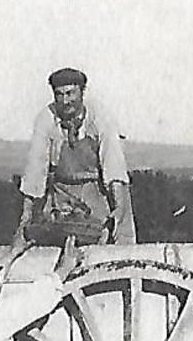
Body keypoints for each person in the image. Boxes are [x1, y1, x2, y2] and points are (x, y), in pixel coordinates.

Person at [15, 68, 136, 246]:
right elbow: (35, 170)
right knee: (51, 242)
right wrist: (26, 216)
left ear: (82, 92)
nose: (65, 101)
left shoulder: (101, 117)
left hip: (99, 191)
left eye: (70, 93)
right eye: (59, 95)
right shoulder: (45, 119)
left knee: (116, 245)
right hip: (63, 194)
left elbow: (114, 168)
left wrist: (118, 209)